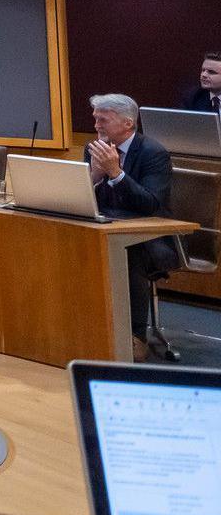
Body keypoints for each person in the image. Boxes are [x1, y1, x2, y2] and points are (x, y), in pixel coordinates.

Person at [87, 93, 176, 338]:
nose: (96, 126)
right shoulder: (94, 149)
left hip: (151, 237)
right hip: (105, 226)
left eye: (103, 120)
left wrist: (116, 173)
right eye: (95, 119)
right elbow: (84, 199)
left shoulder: (153, 153)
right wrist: (93, 177)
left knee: (127, 252)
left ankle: (135, 337)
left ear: (127, 123)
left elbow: (151, 205)